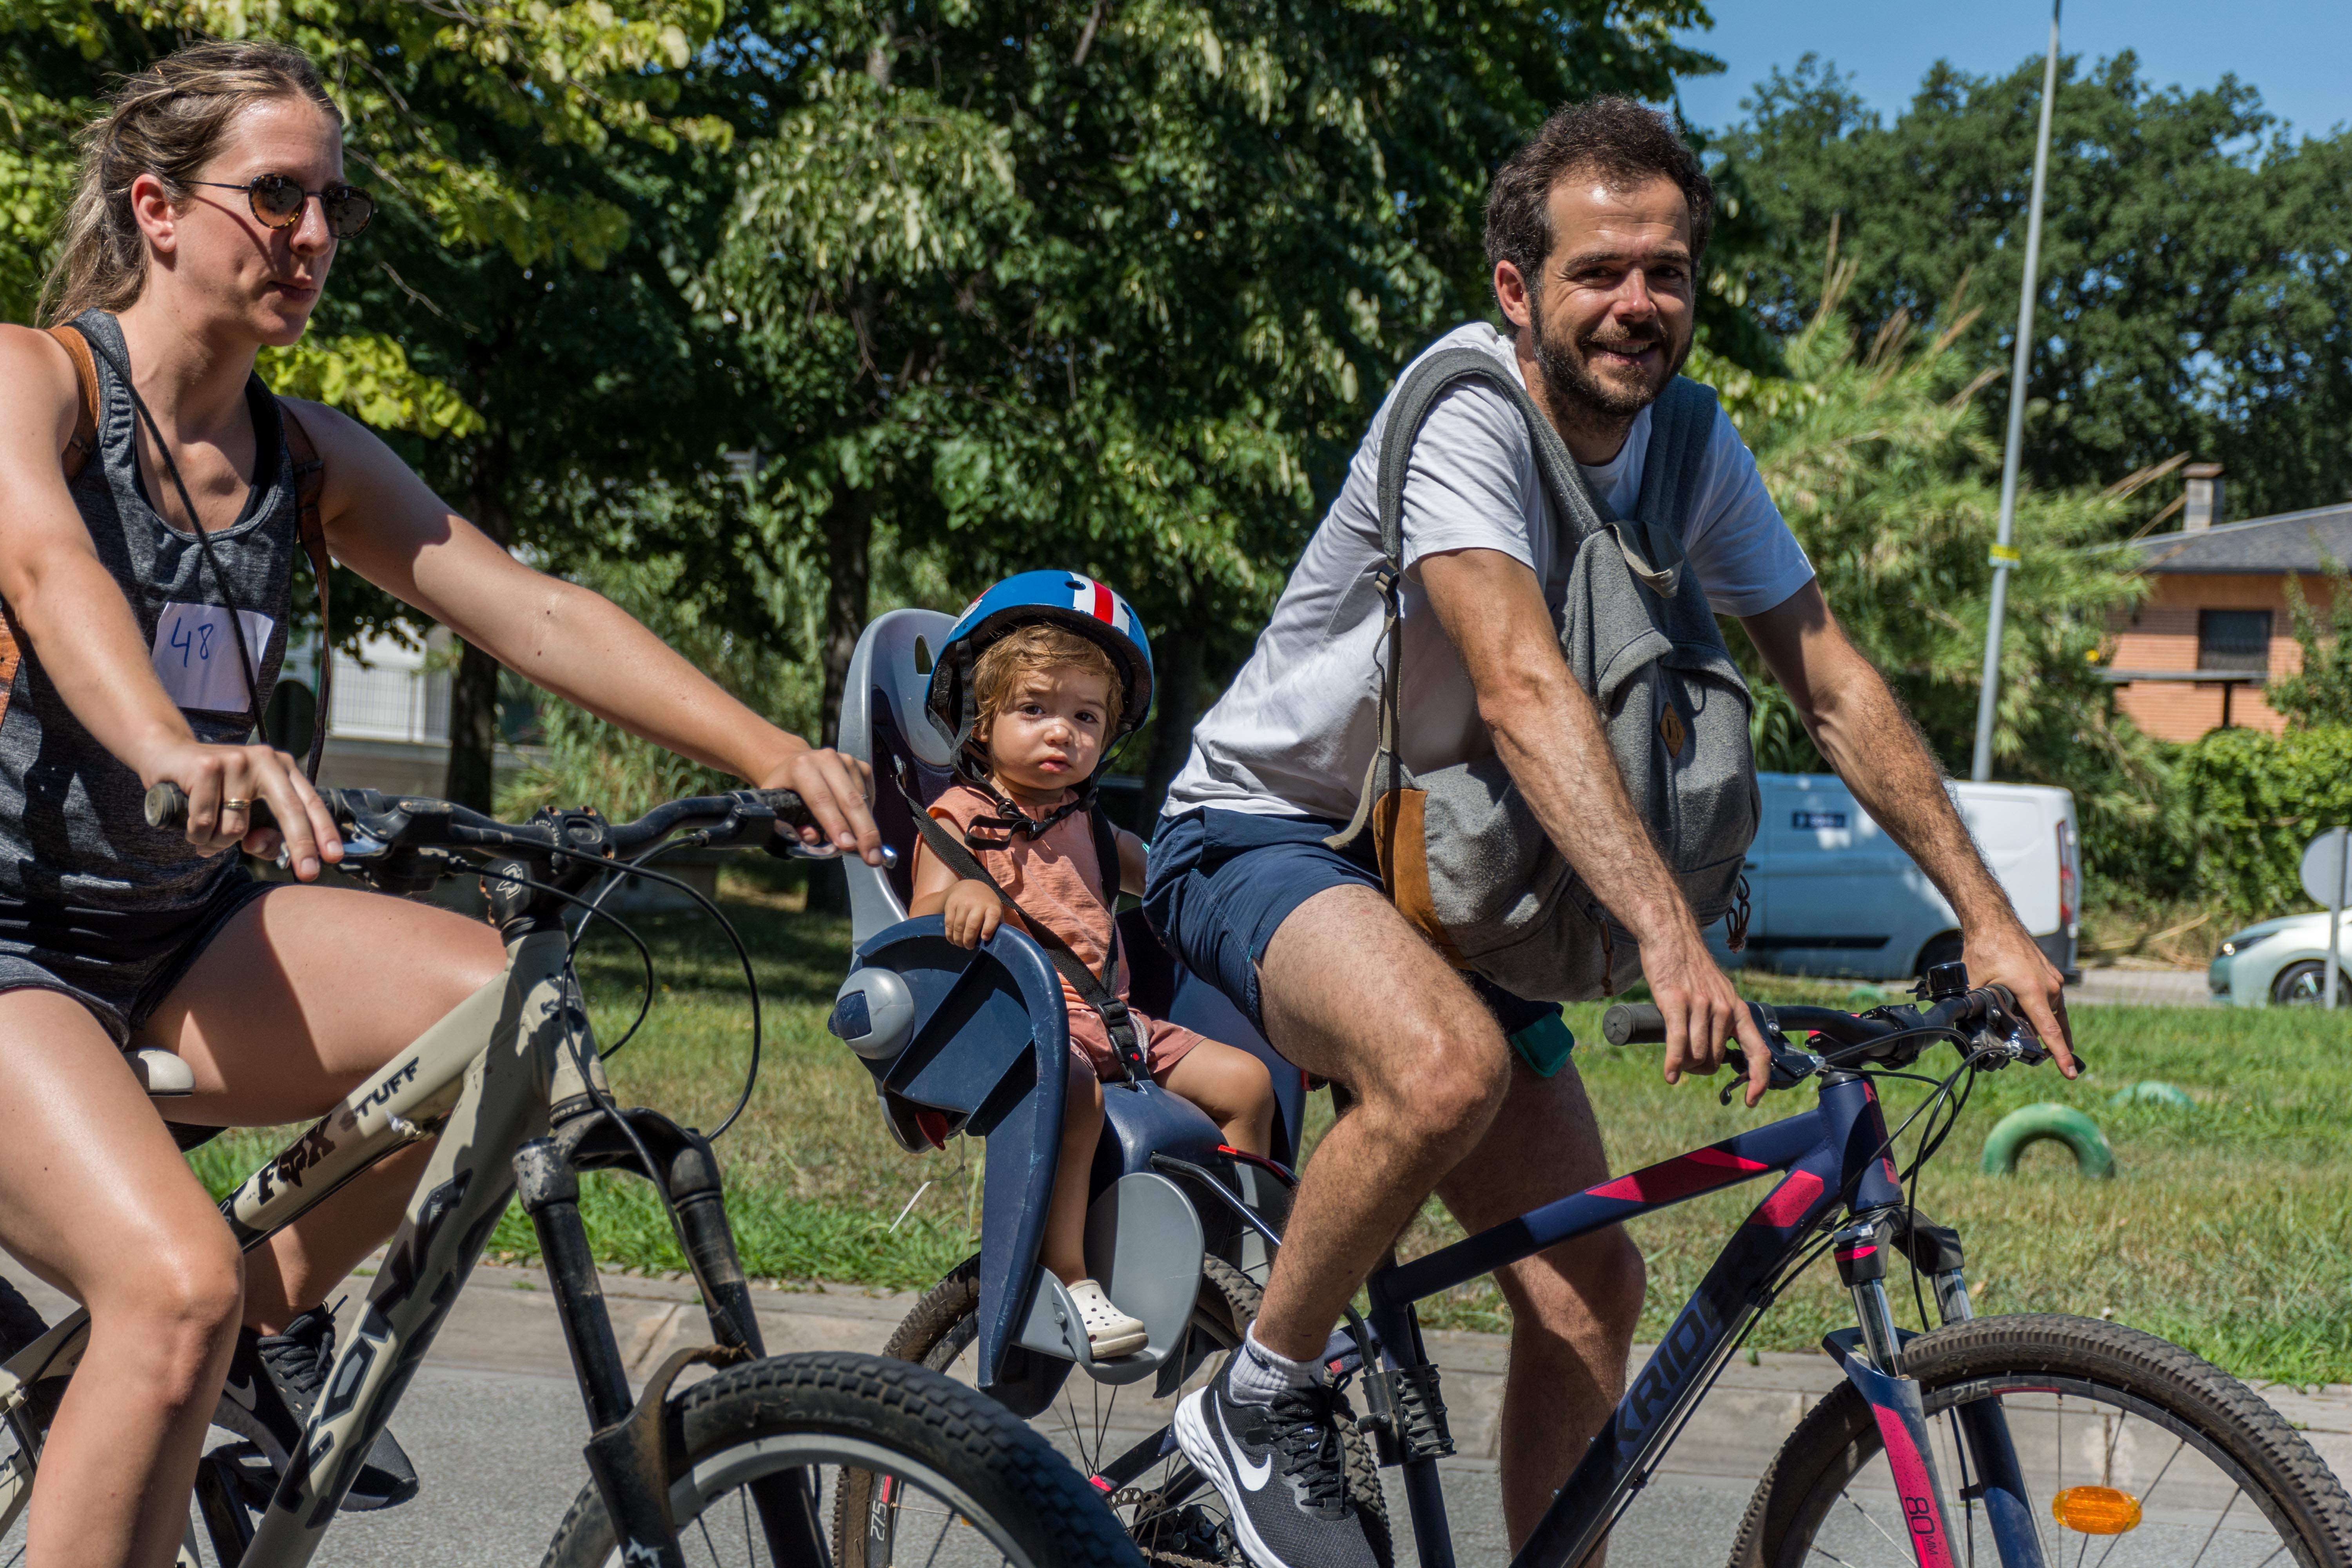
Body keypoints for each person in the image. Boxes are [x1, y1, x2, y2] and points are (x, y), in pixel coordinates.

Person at [1143, 97, 2079, 1568]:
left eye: (1668, 270)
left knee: (1589, 1285)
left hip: (1449, 887)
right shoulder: (1466, 411)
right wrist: (1663, 928)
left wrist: (1988, 911)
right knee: (1441, 1066)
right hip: (1273, 836)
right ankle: (1258, 1398)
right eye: (1600, 271)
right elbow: (1517, 684)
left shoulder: (1689, 441)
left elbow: (1827, 676)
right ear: (1518, 289)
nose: (1639, 304)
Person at [0, 40, 881, 1568]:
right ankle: (197, 1314)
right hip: (9, 939)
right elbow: (45, 567)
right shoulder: (39, 383)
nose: (316, 237)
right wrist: (168, 743)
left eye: (335, 206)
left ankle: (262, 1331)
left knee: (505, 1011)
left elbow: (529, 611)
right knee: (171, 1287)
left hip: (175, 932)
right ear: (156, 206)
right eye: (276, 197)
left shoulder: (303, 453)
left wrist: (767, 746)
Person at [909, 582, 1276, 1359]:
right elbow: (924, 919)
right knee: (1070, 1088)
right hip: (1032, 1032)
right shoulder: (959, 820)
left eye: (1086, 717)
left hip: (1124, 1029)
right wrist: (966, 890)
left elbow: (1172, 876)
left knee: (1247, 1081)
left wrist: (1241, 872)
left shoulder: (1091, 826)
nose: (1062, 733)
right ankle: (1070, 1273)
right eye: (1035, 708)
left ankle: (1231, 1260)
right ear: (982, 723)